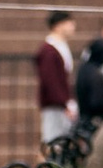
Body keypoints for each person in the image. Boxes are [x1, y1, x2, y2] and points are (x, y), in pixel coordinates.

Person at [34, 12, 79, 158]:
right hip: (55, 104)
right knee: (52, 139)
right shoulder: (49, 50)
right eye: (69, 23)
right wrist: (63, 102)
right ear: (58, 26)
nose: (73, 26)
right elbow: (51, 80)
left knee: (60, 139)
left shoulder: (59, 47)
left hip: (60, 103)